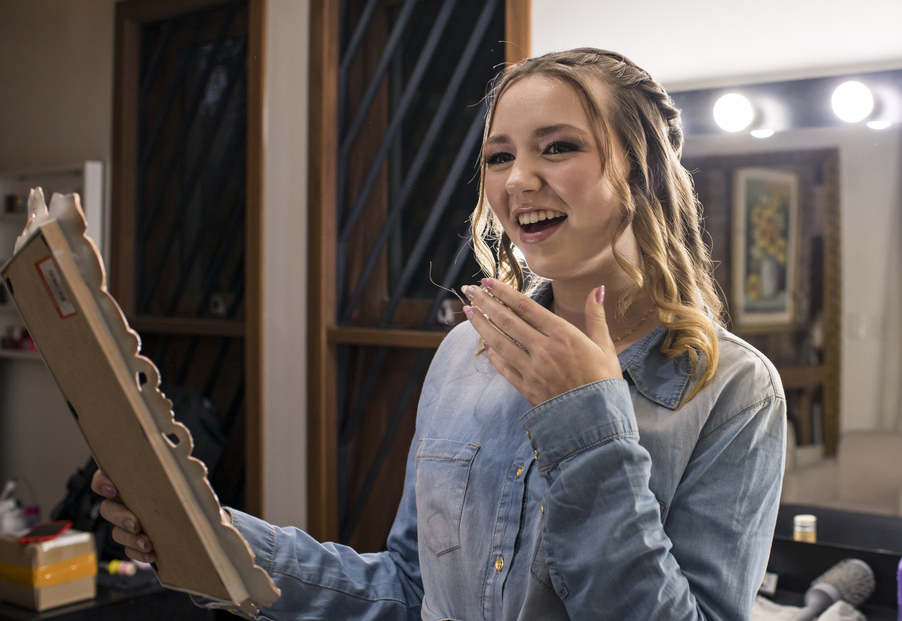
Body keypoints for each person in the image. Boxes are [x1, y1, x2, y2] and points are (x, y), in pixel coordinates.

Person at [93, 48, 787, 619]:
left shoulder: (733, 389)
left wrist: (588, 420)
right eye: (498, 156)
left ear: (642, 170)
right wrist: (215, 539)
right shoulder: (467, 353)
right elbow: (406, 589)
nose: (520, 180)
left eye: (559, 147)